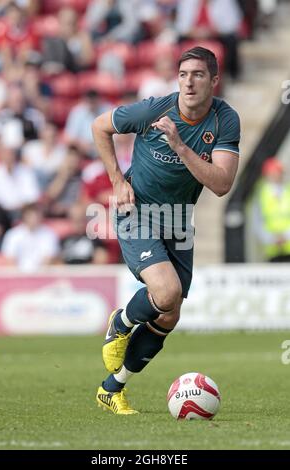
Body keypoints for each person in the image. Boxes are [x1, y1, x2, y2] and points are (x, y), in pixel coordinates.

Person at [92, 46, 240, 414]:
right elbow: (100, 126)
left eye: (199, 75)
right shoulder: (155, 109)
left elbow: (222, 184)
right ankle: (122, 321)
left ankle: (112, 388)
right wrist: (116, 179)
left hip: (177, 219)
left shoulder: (224, 120)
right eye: (184, 74)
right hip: (137, 210)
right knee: (166, 290)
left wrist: (178, 144)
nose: (189, 82)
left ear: (214, 81)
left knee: (169, 313)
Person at [253, 157, 290, 262]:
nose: (276, 176)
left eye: (278, 173)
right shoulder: (260, 195)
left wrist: (286, 236)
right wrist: (271, 239)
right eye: (273, 173)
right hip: (272, 250)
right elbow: (257, 222)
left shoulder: (288, 191)